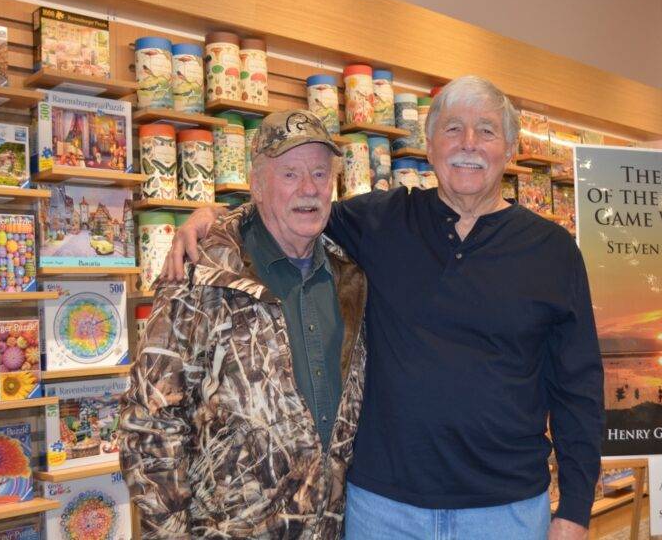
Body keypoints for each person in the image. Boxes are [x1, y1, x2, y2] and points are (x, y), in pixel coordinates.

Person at [165, 76, 604, 540]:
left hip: (507, 512)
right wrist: (210, 217)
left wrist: (574, 510)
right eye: (452, 129)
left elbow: (579, 388)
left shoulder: (554, 252)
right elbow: (290, 204)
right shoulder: (380, 220)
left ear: (510, 148)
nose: (468, 143)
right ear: (430, 145)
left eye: (487, 131)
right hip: (383, 511)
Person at [119, 110, 368, 539]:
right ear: (256, 184)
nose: (308, 188)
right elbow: (150, 424)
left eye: (320, 173)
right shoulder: (202, 270)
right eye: (289, 173)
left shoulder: (354, 271)